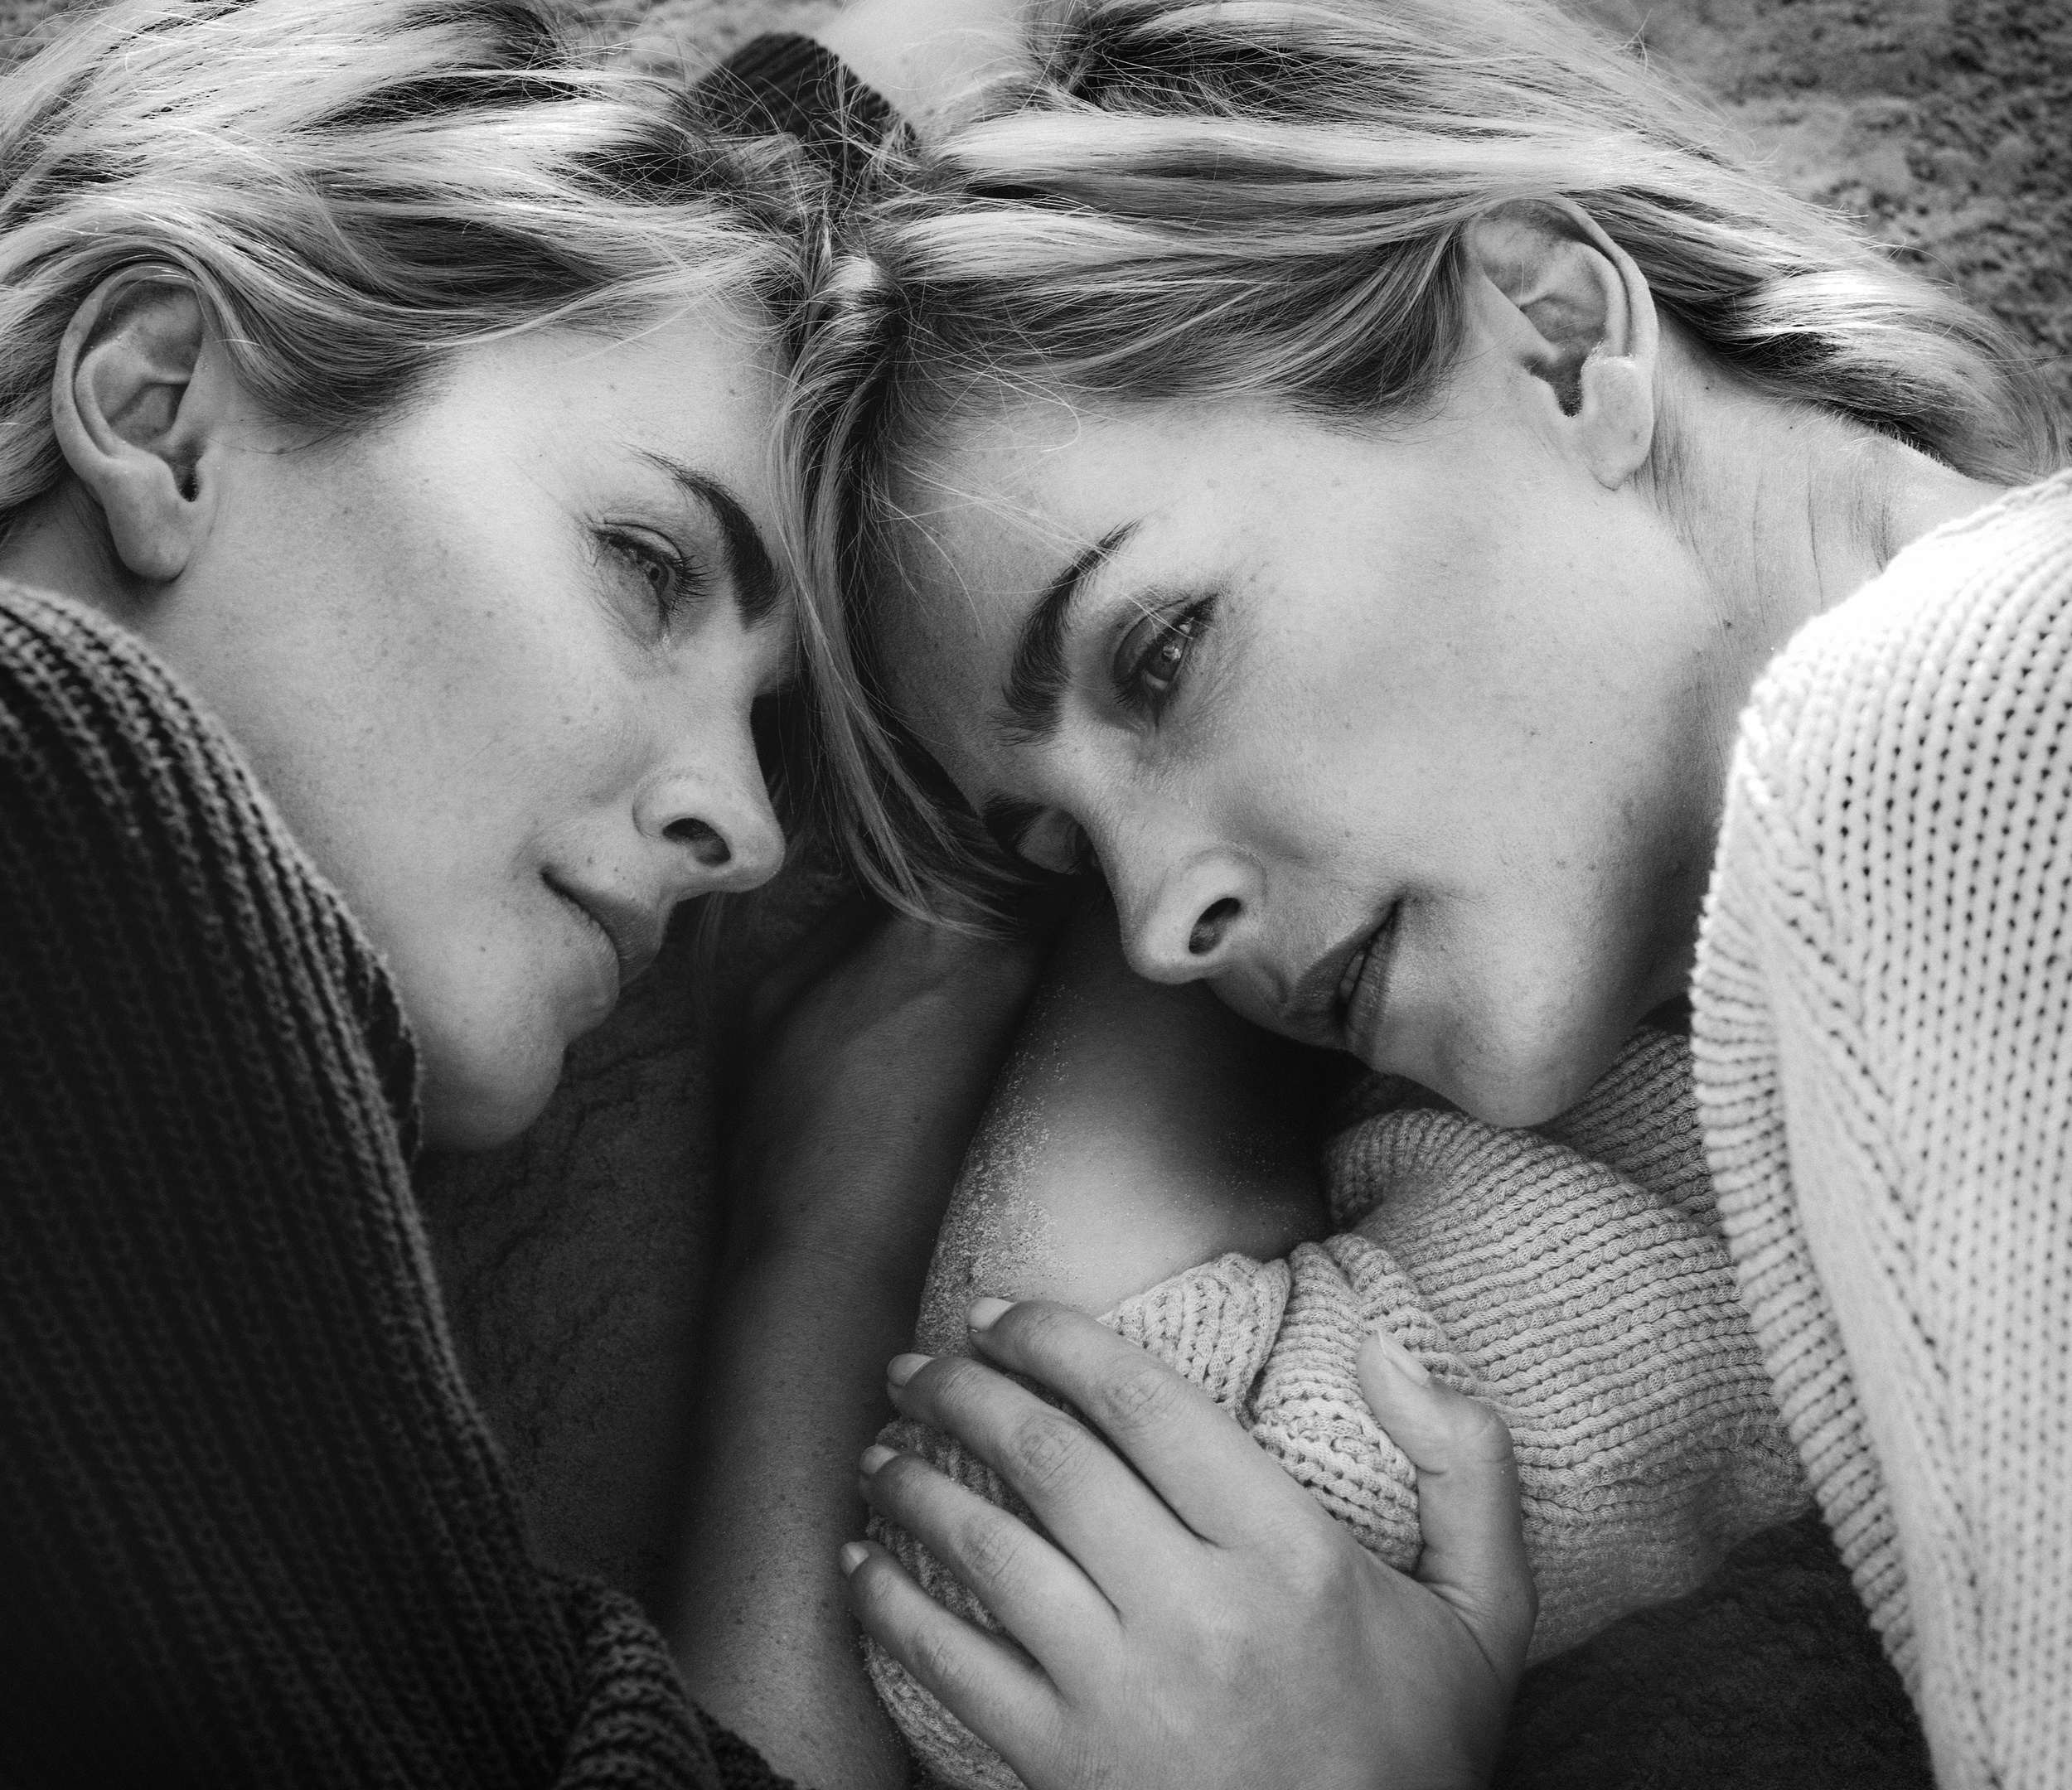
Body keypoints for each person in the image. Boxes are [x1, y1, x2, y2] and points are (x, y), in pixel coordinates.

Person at [0, 0, 1555, 1784]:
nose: (741, 827)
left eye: (761, 720)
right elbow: (929, 36)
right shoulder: (53, 766)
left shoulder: (190, 1214)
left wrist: (825, 1226)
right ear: (161, 408)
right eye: (646, 566)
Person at [779, 0, 2071, 1786]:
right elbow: (1053, 1613)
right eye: (1067, 854)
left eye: (1159, 652)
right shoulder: (1656, 1147)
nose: (1154, 934)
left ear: (1559, 339)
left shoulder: (1979, 692)